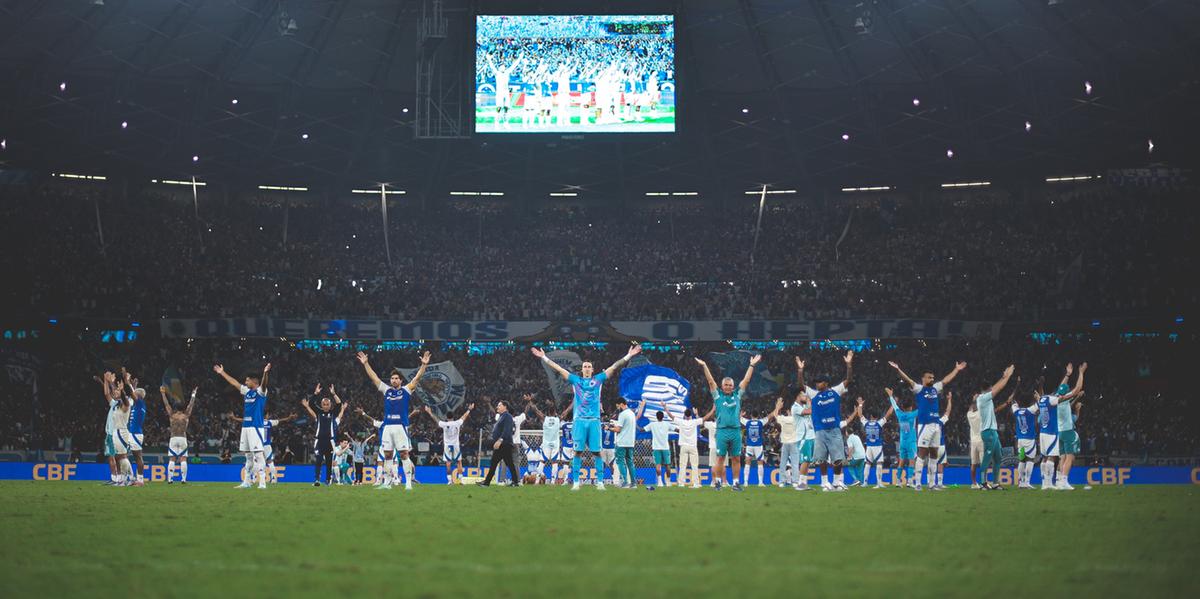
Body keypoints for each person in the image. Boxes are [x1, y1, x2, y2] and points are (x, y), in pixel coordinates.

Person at [532, 342, 641, 491]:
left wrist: (629, 355)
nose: (587, 368)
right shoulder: (575, 380)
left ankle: (600, 482)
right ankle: (576, 482)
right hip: (579, 421)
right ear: (582, 369)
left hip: (594, 421)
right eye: (585, 367)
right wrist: (544, 357)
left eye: (589, 366)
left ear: (592, 369)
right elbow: (558, 368)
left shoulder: (598, 380)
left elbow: (614, 366)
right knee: (577, 452)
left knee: (597, 452)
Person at [356, 350, 430, 490]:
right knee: (388, 455)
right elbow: (374, 377)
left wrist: (424, 365)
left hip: (400, 426)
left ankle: (408, 483)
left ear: (401, 381)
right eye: (392, 379)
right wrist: (366, 363)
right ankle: (387, 483)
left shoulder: (406, 390)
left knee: (404, 454)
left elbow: (417, 379)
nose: (394, 380)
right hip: (387, 427)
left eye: (396, 378)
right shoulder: (387, 390)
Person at [888, 359, 966, 491]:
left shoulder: (936, 388)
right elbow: (908, 380)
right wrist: (898, 369)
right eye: (929, 377)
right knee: (922, 454)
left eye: (933, 377)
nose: (932, 379)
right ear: (923, 378)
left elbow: (946, 380)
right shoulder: (919, 389)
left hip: (936, 425)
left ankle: (931, 484)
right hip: (925, 425)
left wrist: (956, 370)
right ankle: (917, 483)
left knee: (934, 454)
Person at [695, 353, 760, 491]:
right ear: (722, 385)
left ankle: (736, 483)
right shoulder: (717, 395)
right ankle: (718, 482)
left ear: (733, 386)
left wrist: (752, 365)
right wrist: (705, 365)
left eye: (730, 385)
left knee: (736, 458)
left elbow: (746, 381)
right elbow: (711, 381)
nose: (728, 387)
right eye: (726, 385)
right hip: (722, 431)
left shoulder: (737, 395)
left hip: (736, 431)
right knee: (720, 458)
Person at [797, 352, 854, 492]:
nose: (817, 384)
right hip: (820, 430)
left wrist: (849, 365)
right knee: (821, 459)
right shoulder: (814, 394)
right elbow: (801, 385)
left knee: (838, 458)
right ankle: (824, 482)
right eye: (816, 382)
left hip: (834, 429)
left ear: (826, 383)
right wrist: (800, 370)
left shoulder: (835, 391)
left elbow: (849, 379)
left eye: (820, 382)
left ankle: (837, 482)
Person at [213, 361, 271, 489]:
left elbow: (264, 383)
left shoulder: (261, 392)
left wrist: (265, 373)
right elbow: (234, 383)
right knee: (248, 456)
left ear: (254, 382)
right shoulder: (247, 392)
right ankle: (247, 482)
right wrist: (222, 373)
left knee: (258, 454)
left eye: (247, 380)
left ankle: (262, 482)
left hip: (256, 427)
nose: (245, 382)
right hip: (245, 427)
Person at [973, 365, 1017, 490]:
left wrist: (1003, 376)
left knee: (998, 457)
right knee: (987, 458)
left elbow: (997, 387)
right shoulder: (982, 398)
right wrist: (1007, 376)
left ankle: (996, 483)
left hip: (993, 432)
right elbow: (999, 388)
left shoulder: (985, 398)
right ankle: (982, 483)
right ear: (987, 390)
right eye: (991, 388)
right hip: (988, 432)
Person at [301, 387, 348, 487]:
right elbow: (311, 403)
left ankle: (328, 480)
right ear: (321, 405)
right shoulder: (318, 413)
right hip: (319, 440)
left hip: (330, 441)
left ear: (330, 405)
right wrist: (316, 393)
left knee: (328, 462)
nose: (326, 406)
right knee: (318, 460)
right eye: (324, 404)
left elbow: (339, 404)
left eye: (327, 404)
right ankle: (317, 479)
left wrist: (334, 394)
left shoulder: (333, 413)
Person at [1054, 363, 1088, 490]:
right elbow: (1078, 388)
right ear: (1066, 393)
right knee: (1070, 457)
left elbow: (1060, 388)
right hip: (1068, 432)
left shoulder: (1055, 399)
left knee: (1062, 457)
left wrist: (1068, 374)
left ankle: (1058, 481)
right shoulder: (1065, 398)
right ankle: (1064, 481)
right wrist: (1081, 373)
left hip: (1060, 432)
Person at [421, 403, 474, 484]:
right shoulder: (457, 423)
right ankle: (461, 480)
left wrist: (429, 412)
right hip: (456, 445)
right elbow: (464, 417)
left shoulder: (444, 424)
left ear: (447, 417)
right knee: (459, 462)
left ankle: (449, 480)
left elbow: (436, 419)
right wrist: (469, 409)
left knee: (448, 463)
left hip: (447, 446)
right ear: (453, 417)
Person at [998, 382, 1037, 488]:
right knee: (1030, 460)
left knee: (1022, 460)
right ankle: (1027, 482)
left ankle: (1020, 482)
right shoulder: (1031, 410)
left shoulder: (1016, 411)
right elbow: (1040, 403)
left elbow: (1013, 401)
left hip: (1020, 440)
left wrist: (1017, 386)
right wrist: (1037, 395)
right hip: (1029, 439)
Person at [160, 385, 197, 484]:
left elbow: (166, 404)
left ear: (175, 407)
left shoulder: (172, 415)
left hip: (173, 437)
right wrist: (193, 394)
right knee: (183, 458)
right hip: (182, 438)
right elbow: (191, 405)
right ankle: (183, 479)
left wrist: (163, 393)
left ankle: (170, 479)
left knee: (172, 458)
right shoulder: (186, 415)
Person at [478, 400, 519, 486]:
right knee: (504, 463)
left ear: (505, 407)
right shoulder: (502, 416)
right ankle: (514, 482)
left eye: (499, 405)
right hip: (502, 444)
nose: (497, 407)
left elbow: (507, 430)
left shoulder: (507, 416)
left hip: (504, 444)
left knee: (498, 463)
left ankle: (487, 482)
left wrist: (500, 440)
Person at [528, 397, 568, 482]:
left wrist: (530, 401)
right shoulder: (558, 419)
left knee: (542, 461)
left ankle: (537, 481)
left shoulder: (544, 418)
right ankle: (553, 481)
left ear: (548, 412)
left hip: (546, 443)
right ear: (555, 412)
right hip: (555, 443)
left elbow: (535, 410)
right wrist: (575, 400)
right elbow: (567, 411)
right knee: (555, 462)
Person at [607, 398, 643, 489]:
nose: (618, 408)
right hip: (630, 442)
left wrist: (609, 428)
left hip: (622, 442)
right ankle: (633, 483)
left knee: (620, 462)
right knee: (630, 462)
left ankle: (625, 482)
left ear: (622, 404)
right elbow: (624, 427)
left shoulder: (622, 414)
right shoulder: (631, 413)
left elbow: (618, 430)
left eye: (618, 405)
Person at [886, 388, 918, 488]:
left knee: (901, 461)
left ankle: (898, 481)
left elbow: (895, 406)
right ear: (910, 407)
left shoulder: (900, 414)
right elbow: (923, 408)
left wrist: (891, 396)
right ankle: (909, 481)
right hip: (911, 441)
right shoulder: (913, 414)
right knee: (912, 461)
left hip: (902, 441)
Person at [120, 369, 147, 486]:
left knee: (138, 457)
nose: (133, 394)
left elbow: (131, 393)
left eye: (135, 393)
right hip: (133, 433)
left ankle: (140, 480)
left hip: (135, 433)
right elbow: (131, 394)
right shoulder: (137, 404)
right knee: (133, 456)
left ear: (139, 395)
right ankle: (133, 478)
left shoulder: (140, 402)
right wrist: (131, 383)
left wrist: (126, 380)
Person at [669, 407, 704, 489]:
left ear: (684, 415)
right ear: (691, 415)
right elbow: (705, 418)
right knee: (694, 465)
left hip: (683, 446)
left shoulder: (681, 422)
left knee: (682, 465)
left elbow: (671, 416)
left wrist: (665, 407)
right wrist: (713, 409)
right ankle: (695, 483)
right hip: (692, 446)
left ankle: (681, 483)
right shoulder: (694, 422)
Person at [770, 397, 800, 489]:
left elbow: (775, 415)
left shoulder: (783, 419)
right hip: (794, 443)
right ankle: (795, 482)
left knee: (783, 463)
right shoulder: (796, 419)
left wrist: (778, 406)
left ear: (787, 411)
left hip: (785, 443)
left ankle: (782, 482)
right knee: (795, 463)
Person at [860, 397, 889, 488]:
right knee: (879, 463)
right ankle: (879, 483)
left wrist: (860, 404)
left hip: (869, 446)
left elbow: (860, 415)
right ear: (877, 416)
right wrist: (893, 403)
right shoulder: (879, 423)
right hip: (878, 446)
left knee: (868, 464)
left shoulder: (866, 423)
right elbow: (889, 414)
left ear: (871, 416)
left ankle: (865, 482)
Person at [262, 409, 297, 483]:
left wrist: (235, 418)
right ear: (267, 415)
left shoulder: (258, 422)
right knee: (270, 462)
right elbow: (280, 420)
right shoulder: (269, 422)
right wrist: (289, 417)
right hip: (267, 445)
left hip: (259, 445)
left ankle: (255, 479)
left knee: (257, 462)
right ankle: (274, 479)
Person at [642, 410, 675, 488]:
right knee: (667, 465)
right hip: (665, 447)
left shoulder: (652, 424)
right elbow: (676, 429)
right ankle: (668, 482)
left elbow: (642, 429)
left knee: (658, 465)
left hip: (656, 447)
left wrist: (635, 424)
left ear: (656, 417)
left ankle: (660, 482)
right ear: (663, 417)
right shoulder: (667, 424)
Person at [740, 410, 769, 487]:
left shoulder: (747, 422)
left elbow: (738, 418)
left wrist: (741, 414)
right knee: (760, 464)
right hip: (758, 446)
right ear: (758, 416)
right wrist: (777, 408)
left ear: (751, 416)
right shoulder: (760, 422)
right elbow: (770, 416)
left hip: (749, 445)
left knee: (747, 463)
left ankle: (745, 482)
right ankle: (760, 482)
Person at [934, 392, 954, 490]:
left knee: (934, 464)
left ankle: (933, 484)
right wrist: (949, 400)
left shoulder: (927, 423)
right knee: (940, 464)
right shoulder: (940, 422)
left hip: (933, 447)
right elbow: (948, 411)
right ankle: (939, 484)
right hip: (940, 446)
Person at [966, 390, 984, 489]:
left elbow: (970, 408)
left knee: (973, 464)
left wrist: (973, 400)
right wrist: (978, 399)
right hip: (981, 441)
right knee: (983, 463)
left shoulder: (969, 415)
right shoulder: (979, 414)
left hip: (973, 442)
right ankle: (983, 483)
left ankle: (973, 483)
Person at [600, 411, 621, 486]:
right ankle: (615, 481)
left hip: (603, 447)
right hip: (611, 447)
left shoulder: (600, 425)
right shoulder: (613, 424)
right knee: (612, 464)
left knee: (602, 464)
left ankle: (600, 481)